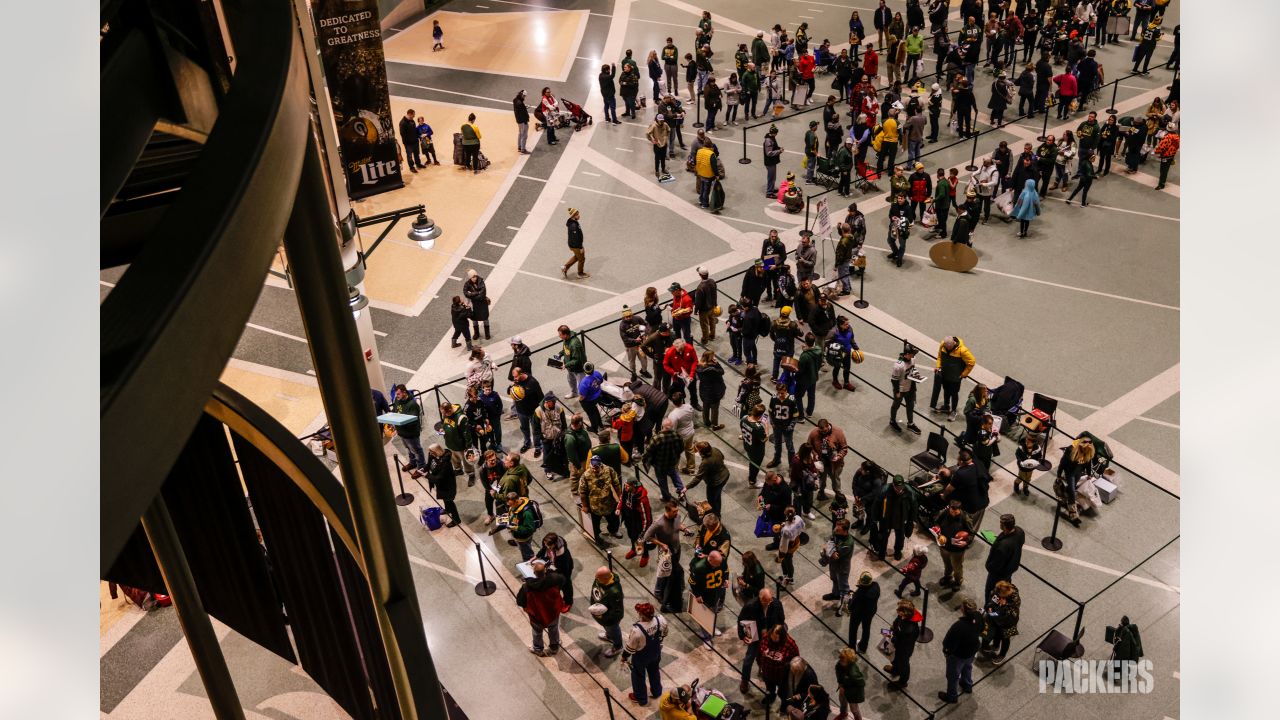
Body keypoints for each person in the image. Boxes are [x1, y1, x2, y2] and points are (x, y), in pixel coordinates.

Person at [516, 559, 572, 656]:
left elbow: (520, 601)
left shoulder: (527, 587)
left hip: (537, 615)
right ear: (545, 570)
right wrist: (551, 572)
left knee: (537, 632)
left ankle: (538, 649)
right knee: (553, 629)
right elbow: (563, 579)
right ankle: (554, 647)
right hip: (553, 612)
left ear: (534, 572)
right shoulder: (554, 580)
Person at [937, 599, 983, 703]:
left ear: (963, 610)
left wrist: (947, 653)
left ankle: (952, 697)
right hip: (972, 650)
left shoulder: (958, 626)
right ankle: (967, 685)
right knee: (967, 667)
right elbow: (982, 628)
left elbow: (948, 643)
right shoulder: (979, 616)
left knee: (953, 675)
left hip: (959, 655)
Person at [624, 602, 669, 706]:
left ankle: (641, 698)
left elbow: (630, 648)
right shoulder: (660, 620)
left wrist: (623, 657)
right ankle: (657, 691)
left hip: (641, 657)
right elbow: (664, 633)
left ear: (642, 615)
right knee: (654, 671)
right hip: (656, 653)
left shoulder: (637, 630)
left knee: (638, 676)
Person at [868, 475, 920, 561]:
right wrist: (874, 518)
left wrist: (912, 520)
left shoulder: (909, 491)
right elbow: (876, 505)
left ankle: (897, 551)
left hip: (901, 519)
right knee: (883, 537)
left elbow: (914, 506)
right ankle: (881, 552)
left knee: (900, 537)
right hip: (886, 519)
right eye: (897, 487)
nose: (899, 489)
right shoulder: (884, 490)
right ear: (893, 485)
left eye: (901, 487)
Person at [577, 455, 622, 545]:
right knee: (594, 524)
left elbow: (616, 485)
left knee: (614, 520)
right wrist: (585, 506)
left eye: (596, 467)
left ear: (600, 465)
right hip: (594, 506)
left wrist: (620, 498)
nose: (594, 469)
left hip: (609, 503)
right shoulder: (586, 475)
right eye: (592, 467)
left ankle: (613, 531)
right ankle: (596, 535)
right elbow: (582, 493)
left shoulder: (609, 470)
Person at [1055, 436, 1097, 526]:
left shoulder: (1088, 451)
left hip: (1078, 472)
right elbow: (1062, 463)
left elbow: (1088, 462)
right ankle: (1073, 515)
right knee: (1073, 493)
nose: (1086, 451)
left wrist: (1089, 474)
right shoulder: (1070, 450)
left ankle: (1064, 497)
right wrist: (1058, 474)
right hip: (1070, 472)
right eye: (1085, 449)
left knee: (1072, 488)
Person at [758, 623, 800, 711]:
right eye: (773, 636)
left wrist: (784, 662)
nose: (773, 639)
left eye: (776, 637)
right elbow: (761, 647)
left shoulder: (790, 643)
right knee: (769, 688)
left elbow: (796, 659)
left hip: (782, 674)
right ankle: (771, 697)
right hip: (767, 670)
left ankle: (785, 705)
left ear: (782, 636)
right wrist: (763, 652)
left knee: (784, 693)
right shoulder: (766, 636)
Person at [936, 500, 975, 589]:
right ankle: (947, 576)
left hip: (957, 550)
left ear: (960, 510)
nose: (953, 513)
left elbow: (972, 534)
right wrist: (938, 531)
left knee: (957, 567)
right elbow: (936, 522)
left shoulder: (965, 518)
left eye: (956, 511)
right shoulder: (945, 512)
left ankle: (958, 581)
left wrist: (966, 542)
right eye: (952, 511)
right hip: (944, 546)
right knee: (947, 564)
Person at [981, 580, 1021, 664]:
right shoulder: (997, 591)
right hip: (998, 620)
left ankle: (1002, 655)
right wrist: (990, 607)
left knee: (1005, 638)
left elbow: (1002, 614)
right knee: (997, 633)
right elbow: (992, 600)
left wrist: (1002, 606)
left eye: (999, 595)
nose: (997, 595)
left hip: (1009, 622)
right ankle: (995, 646)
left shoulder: (1014, 600)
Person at [390, 385, 427, 475]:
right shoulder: (397, 400)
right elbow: (395, 411)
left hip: (411, 433)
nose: (397, 396)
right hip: (402, 432)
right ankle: (413, 462)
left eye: (398, 394)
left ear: (404, 392)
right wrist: (392, 421)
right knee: (409, 449)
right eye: (396, 394)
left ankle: (421, 467)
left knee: (416, 450)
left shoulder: (412, 404)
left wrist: (400, 422)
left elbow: (413, 421)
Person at [685, 441, 729, 516]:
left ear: (702, 452)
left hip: (715, 483)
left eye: (698, 450)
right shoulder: (715, 449)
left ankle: (715, 516)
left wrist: (686, 487)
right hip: (725, 476)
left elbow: (698, 478)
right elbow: (722, 457)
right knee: (717, 497)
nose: (697, 451)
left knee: (712, 501)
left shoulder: (705, 462)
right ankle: (717, 512)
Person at [424, 443, 461, 526]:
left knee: (449, 501)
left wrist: (427, 475)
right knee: (445, 499)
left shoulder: (446, 463)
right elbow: (429, 464)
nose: (430, 454)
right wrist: (423, 469)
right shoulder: (432, 455)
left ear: (437, 451)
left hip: (447, 486)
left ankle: (456, 519)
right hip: (441, 485)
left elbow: (439, 478)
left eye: (432, 452)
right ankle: (447, 509)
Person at [889, 346, 922, 434]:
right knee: (896, 406)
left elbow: (913, 369)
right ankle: (892, 421)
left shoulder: (912, 359)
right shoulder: (898, 366)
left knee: (910, 406)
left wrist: (916, 375)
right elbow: (894, 380)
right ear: (907, 354)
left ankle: (910, 423)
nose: (913, 356)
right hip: (901, 389)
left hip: (910, 387)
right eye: (912, 354)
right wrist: (897, 392)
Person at [775, 506, 805, 585]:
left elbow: (784, 545)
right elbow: (803, 526)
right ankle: (786, 576)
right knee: (788, 561)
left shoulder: (786, 530)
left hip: (789, 547)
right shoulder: (798, 518)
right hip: (796, 541)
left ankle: (790, 578)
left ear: (786, 515)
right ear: (794, 513)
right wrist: (786, 525)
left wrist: (781, 555)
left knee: (787, 561)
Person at [835, 647, 867, 720]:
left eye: (842, 660)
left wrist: (846, 683)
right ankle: (843, 713)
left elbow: (862, 683)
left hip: (853, 693)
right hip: (844, 687)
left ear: (849, 661)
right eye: (840, 659)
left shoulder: (853, 672)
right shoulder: (840, 664)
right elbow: (839, 674)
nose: (840, 661)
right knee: (842, 701)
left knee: (854, 709)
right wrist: (841, 684)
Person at [561, 208, 589, 279]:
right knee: (582, 259)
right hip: (576, 245)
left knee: (577, 257)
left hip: (573, 244)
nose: (579, 216)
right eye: (577, 214)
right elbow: (576, 238)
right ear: (573, 215)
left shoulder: (573, 222)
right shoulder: (573, 226)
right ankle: (580, 273)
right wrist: (580, 247)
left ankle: (565, 267)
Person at [1153, 122, 1178, 190]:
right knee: (1166, 169)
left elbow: (1161, 147)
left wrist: (1155, 152)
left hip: (1165, 156)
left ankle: (1161, 184)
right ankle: (1162, 181)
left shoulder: (1167, 137)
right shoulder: (1177, 137)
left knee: (1163, 170)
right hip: (1172, 155)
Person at [646, 114, 671, 180]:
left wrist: (666, 137)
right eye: (660, 120)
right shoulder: (654, 126)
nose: (661, 122)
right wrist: (652, 140)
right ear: (657, 120)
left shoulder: (665, 124)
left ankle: (663, 169)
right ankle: (657, 171)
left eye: (662, 120)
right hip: (657, 145)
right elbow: (647, 133)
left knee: (663, 158)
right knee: (657, 159)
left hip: (664, 144)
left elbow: (669, 130)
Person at [399, 109, 424, 173]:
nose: (414, 116)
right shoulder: (402, 123)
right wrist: (409, 141)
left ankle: (418, 164)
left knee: (416, 154)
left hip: (415, 141)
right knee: (409, 156)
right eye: (413, 114)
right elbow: (402, 134)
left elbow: (415, 130)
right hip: (408, 144)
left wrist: (418, 137)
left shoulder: (412, 120)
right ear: (410, 114)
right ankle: (411, 167)